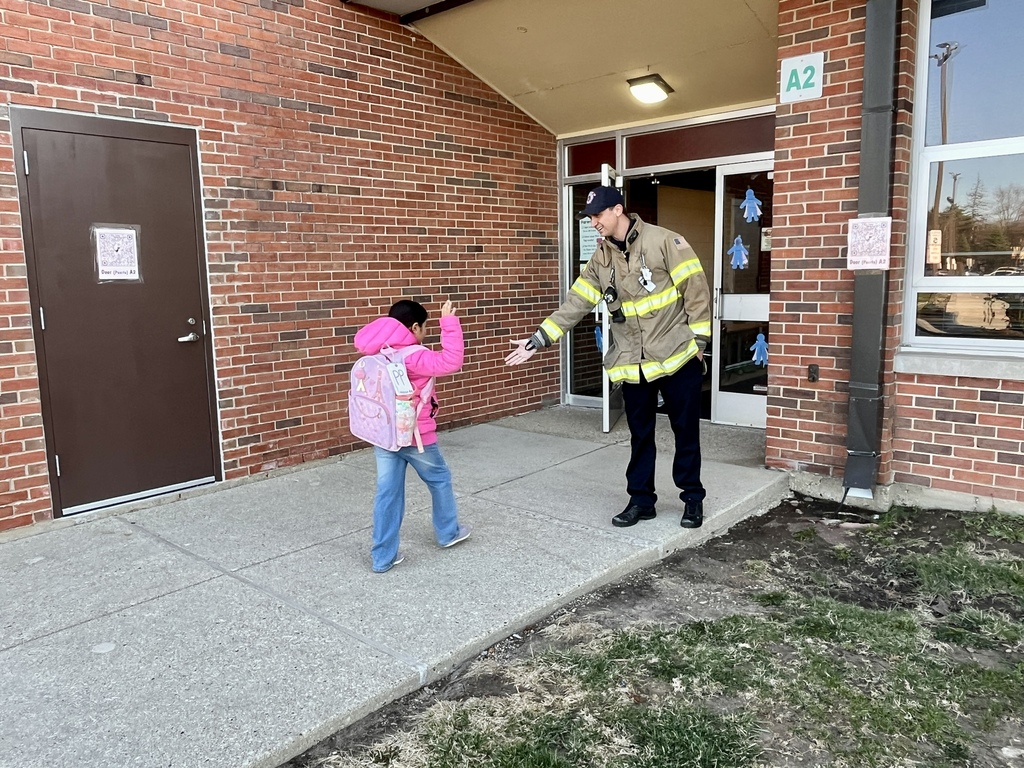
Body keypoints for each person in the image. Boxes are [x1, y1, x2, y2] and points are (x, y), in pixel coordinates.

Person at [505, 185, 711, 529]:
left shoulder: (665, 242)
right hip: (632, 364)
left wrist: (698, 345)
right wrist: (538, 340)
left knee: (685, 431)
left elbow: (697, 293)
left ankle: (692, 498)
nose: (593, 223)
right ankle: (641, 501)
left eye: (597, 215)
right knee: (640, 436)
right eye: (590, 218)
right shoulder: (600, 259)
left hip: (677, 357)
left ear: (618, 210)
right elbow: (576, 303)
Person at [354, 299, 471, 572]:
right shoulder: (413, 355)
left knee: (387, 493)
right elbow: (451, 361)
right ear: (415, 326)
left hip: (383, 436)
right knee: (440, 479)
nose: (424, 334)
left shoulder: (377, 354)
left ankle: (382, 558)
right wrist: (449, 323)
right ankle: (448, 533)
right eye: (424, 328)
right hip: (417, 437)